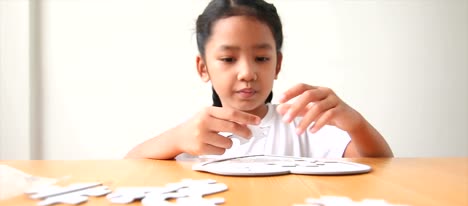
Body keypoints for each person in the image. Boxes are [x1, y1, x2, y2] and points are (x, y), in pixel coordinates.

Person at [125, 0, 393, 160]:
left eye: (262, 59)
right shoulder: (193, 135)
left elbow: (380, 166)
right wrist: (175, 139)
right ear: (203, 67)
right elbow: (129, 170)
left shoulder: (301, 126)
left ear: (278, 64)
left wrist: (356, 124)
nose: (247, 73)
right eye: (229, 59)